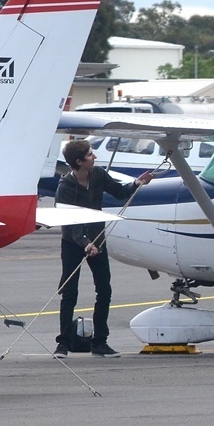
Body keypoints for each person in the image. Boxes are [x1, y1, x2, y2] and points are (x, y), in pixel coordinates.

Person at [54, 138, 155, 357]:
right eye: (91, 154)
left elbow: (119, 191)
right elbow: (69, 224)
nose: (95, 157)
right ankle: (62, 343)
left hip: (97, 239)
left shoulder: (98, 174)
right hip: (73, 243)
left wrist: (138, 183)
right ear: (79, 161)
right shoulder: (66, 186)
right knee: (69, 292)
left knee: (104, 290)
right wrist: (84, 243)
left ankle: (100, 342)